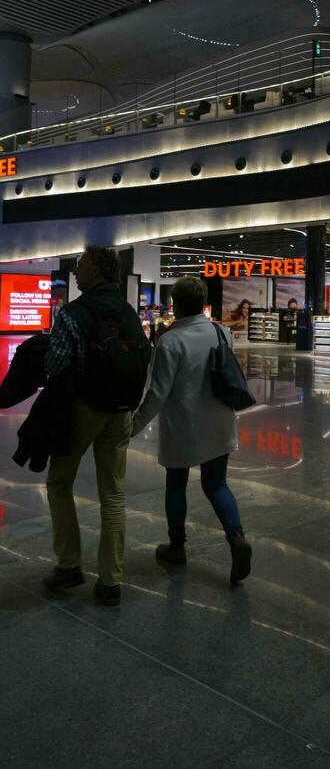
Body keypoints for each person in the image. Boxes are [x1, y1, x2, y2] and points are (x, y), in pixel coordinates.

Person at [42, 246, 150, 606]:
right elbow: (144, 354)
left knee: (59, 481)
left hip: (83, 409)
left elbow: (55, 365)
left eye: (81, 265)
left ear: (99, 271)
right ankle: (110, 580)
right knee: (113, 493)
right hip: (120, 412)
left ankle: (70, 564)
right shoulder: (128, 313)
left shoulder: (73, 313)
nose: (75, 271)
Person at [131, 276, 251, 585]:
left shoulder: (170, 342)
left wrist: (133, 427)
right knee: (217, 485)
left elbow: (157, 393)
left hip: (183, 427)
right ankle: (237, 538)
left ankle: (177, 546)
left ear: (175, 305)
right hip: (219, 422)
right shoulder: (220, 331)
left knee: (176, 485)